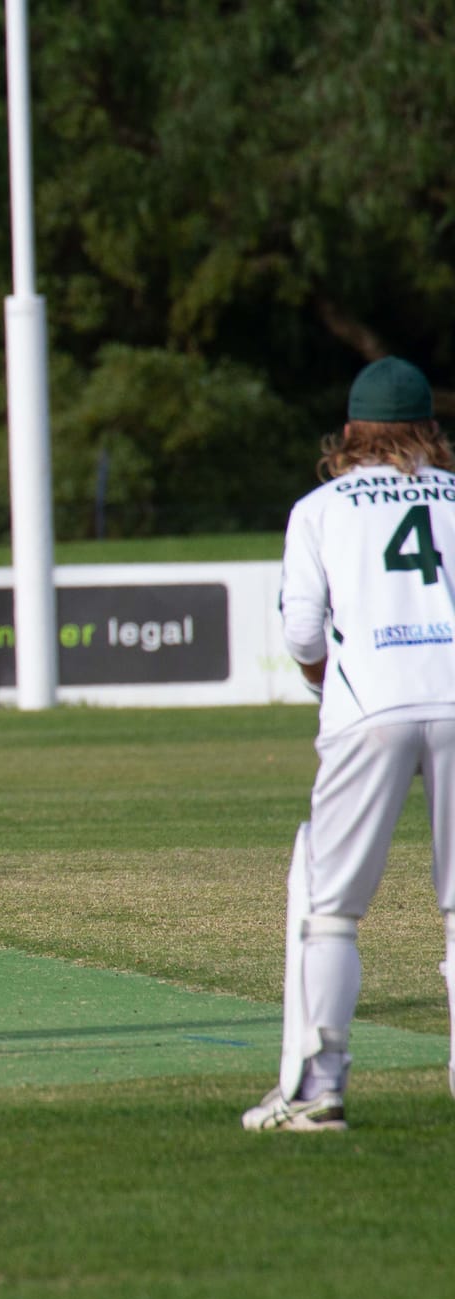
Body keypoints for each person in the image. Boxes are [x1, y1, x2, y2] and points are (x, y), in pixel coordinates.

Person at [243, 355, 455, 1131]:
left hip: (368, 702)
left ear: (352, 431)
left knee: (332, 908)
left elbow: (303, 630)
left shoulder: (321, 506)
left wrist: (321, 678)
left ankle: (320, 1087)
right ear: (429, 427)